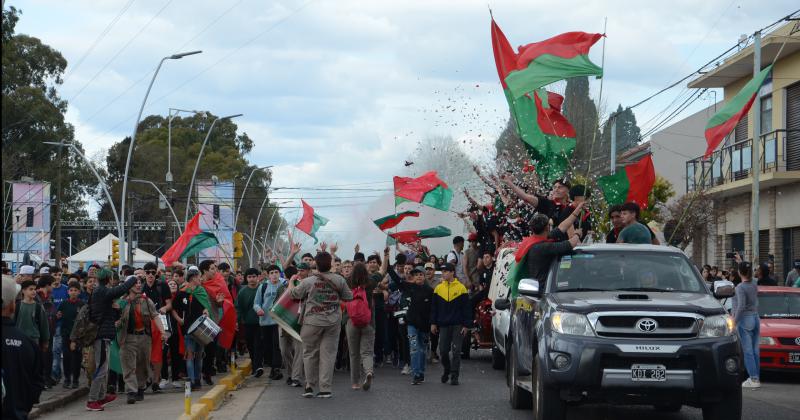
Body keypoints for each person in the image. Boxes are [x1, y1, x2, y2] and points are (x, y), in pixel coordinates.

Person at [289, 252, 353, 398]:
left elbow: (294, 294)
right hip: (332, 322)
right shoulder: (339, 280)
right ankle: (325, 389)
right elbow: (348, 297)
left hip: (312, 322)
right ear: (330, 264)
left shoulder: (308, 281)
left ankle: (309, 386)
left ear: (316, 265)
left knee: (310, 353)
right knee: (328, 354)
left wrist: (291, 283)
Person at [85, 269, 137, 411]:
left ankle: (101, 397)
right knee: (101, 369)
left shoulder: (100, 292)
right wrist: (133, 278)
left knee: (103, 369)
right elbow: (121, 289)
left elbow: (111, 314)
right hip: (101, 336)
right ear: (108, 279)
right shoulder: (102, 291)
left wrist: (115, 309)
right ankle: (92, 400)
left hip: (104, 335)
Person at [3, 274, 45, 420]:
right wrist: (22, 407)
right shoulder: (27, 344)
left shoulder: (29, 343)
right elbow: (37, 381)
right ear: (12, 305)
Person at [116, 274, 161, 404]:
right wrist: (116, 322)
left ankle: (141, 387)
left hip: (143, 337)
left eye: (140, 282)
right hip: (127, 337)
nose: (138, 284)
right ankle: (131, 391)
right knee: (128, 365)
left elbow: (155, 316)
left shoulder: (146, 301)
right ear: (128, 285)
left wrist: (162, 332)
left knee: (142, 365)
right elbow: (116, 319)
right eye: (135, 282)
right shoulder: (121, 302)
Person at [430, 263, 471, 386]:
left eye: (446, 271)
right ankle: (447, 369)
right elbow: (434, 308)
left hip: (457, 324)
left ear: (452, 272)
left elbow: (466, 309)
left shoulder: (461, 288)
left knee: (456, 351)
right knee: (443, 351)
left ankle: (454, 375)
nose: (444, 273)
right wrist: (433, 323)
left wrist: (466, 325)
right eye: (443, 271)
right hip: (444, 325)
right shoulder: (438, 288)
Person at [172, 267, 208, 391]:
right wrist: (179, 319)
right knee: (190, 355)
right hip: (188, 329)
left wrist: (205, 311)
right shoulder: (182, 293)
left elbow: (206, 305)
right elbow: (173, 308)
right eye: (199, 277)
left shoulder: (201, 291)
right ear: (193, 279)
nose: (201, 279)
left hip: (201, 329)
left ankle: (198, 380)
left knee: (199, 356)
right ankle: (192, 381)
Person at [344, 261, 378, 390]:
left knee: (354, 353)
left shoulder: (347, 282)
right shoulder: (370, 282)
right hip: (368, 321)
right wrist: (385, 257)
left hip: (351, 320)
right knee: (367, 351)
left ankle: (355, 382)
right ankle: (368, 371)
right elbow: (382, 272)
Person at [402, 267, 433, 385]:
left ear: (424, 276)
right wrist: (387, 260)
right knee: (414, 349)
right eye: (416, 275)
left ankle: (421, 372)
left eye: (421, 274)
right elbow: (395, 279)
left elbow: (433, 310)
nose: (418, 276)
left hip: (425, 326)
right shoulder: (410, 287)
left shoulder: (430, 291)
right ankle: (415, 375)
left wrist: (433, 324)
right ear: (413, 277)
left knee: (422, 350)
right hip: (411, 324)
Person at [253, 265, 284, 381]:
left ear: (279, 274)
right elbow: (256, 303)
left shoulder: (283, 286)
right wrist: (258, 309)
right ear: (268, 274)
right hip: (265, 322)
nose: (274, 274)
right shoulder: (263, 286)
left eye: (276, 272)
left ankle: (276, 368)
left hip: (278, 321)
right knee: (267, 347)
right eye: (272, 272)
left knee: (277, 345)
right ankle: (272, 367)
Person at [732, 261, 760, 388]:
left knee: (748, 351)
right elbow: (750, 274)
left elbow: (741, 306)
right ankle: (756, 377)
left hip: (745, 319)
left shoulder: (740, 288)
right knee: (755, 350)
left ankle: (753, 379)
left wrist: (734, 321)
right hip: (755, 317)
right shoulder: (754, 283)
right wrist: (741, 260)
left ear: (739, 272)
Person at [278, 265, 305, 387]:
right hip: (283, 322)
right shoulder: (281, 288)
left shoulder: (304, 286)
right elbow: (276, 305)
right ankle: (290, 373)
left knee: (299, 350)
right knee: (284, 350)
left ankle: (296, 377)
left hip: (299, 322)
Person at [236, 268, 263, 377]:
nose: (252, 279)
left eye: (254, 276)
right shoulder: (242, 292)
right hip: (247, 323)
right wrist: (237, 321)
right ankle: (255, 366)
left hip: (261, 323)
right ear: (246, 278)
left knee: (258, 345)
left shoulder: (262, 289)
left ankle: (258, 366)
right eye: (249, 277)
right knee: (251, 346)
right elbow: (238, 308)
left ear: (258, 277)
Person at [59, 282, 85, 389]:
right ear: (68, 292)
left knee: (77, 358)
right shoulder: (64, 304)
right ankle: (67, 378)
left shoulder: (82, 304)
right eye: (71, 290)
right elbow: (59, 316)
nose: (73, 292)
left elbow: (84, 320)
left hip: (78, 335)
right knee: (66, 357)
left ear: (79, 292)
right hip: (66, 334)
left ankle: (75, 379)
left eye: (75, 290)